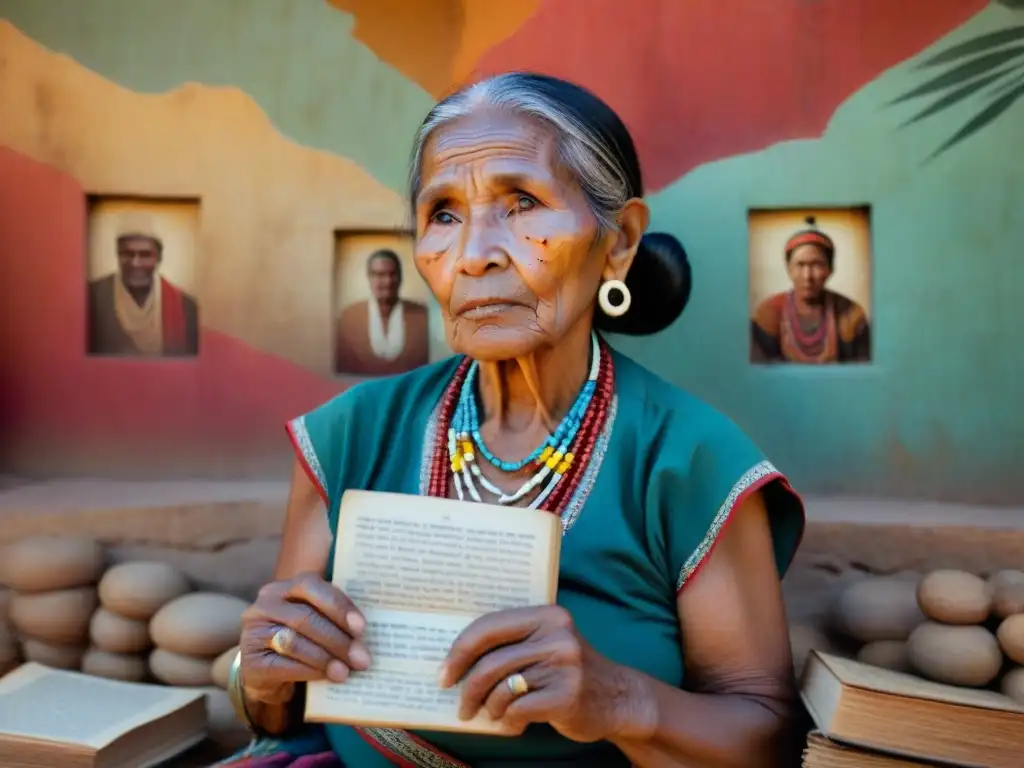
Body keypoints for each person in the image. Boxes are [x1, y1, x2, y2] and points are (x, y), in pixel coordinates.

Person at [221, 72, 805, 768]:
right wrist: (260, 674)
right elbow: (278, 710)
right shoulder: (350, 435)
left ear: (619, 242)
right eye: (443, 213)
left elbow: (769, 739)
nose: (473, 255)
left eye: (522, 202)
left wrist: (617, 700)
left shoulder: (687, 459)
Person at [750, 217, 870, 363]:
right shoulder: (768, 313)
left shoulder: (851, 315)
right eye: (800, 265)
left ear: (830, 269)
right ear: (789, 269)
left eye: (817, 265)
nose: (807, 276)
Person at [87, 212, 199, 357]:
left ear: (159, 258)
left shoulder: (186, 306)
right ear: (118, 254)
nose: (135, 263)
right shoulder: (92, 296)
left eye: (145, 255)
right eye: (127, 254)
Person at [334, 248, 430, 375]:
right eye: (380, 275)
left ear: (400, 278)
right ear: (369, 278)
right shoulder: (348, 317)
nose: (387, 282)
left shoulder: (422, 316)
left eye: (392, 274)